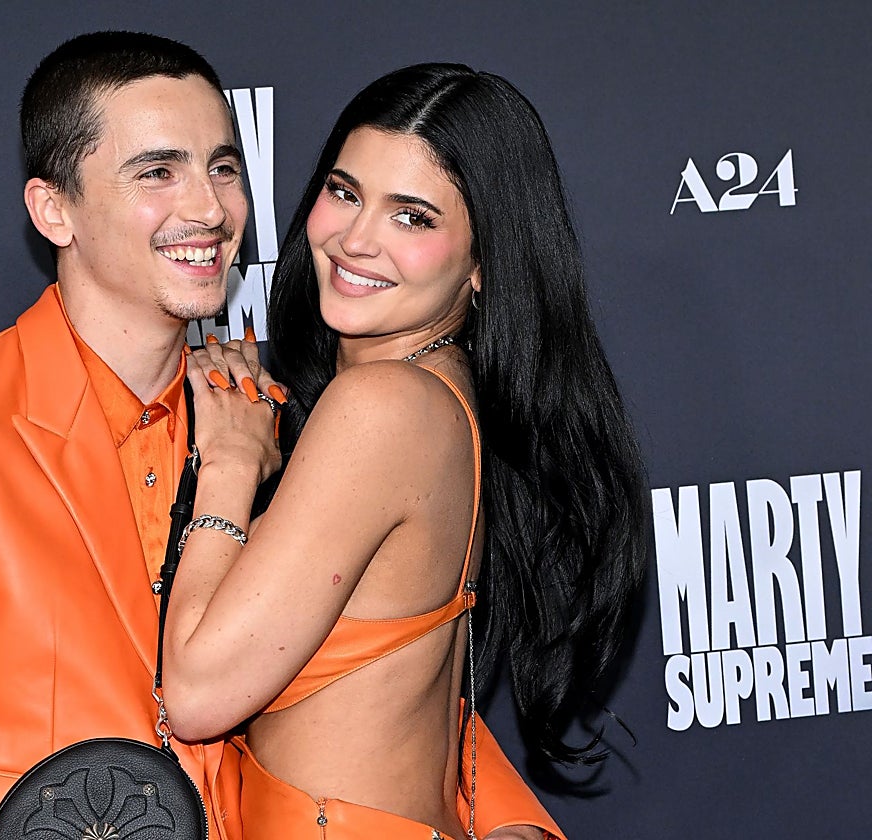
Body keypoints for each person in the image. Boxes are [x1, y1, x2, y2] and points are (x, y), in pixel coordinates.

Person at [0, 35, 561, 840]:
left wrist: (506, 820)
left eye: (224, 167)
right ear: (54, 210)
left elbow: (369, 669)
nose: (209, 208)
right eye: (158, 172)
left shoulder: (267, 416)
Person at [163, 63, 647, 839]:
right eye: (345, 192)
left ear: (484, 260)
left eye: (413, 218)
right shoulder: (442, 393)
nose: (356, 241)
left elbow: (195, 696)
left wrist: (228, 464)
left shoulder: (383, 406)